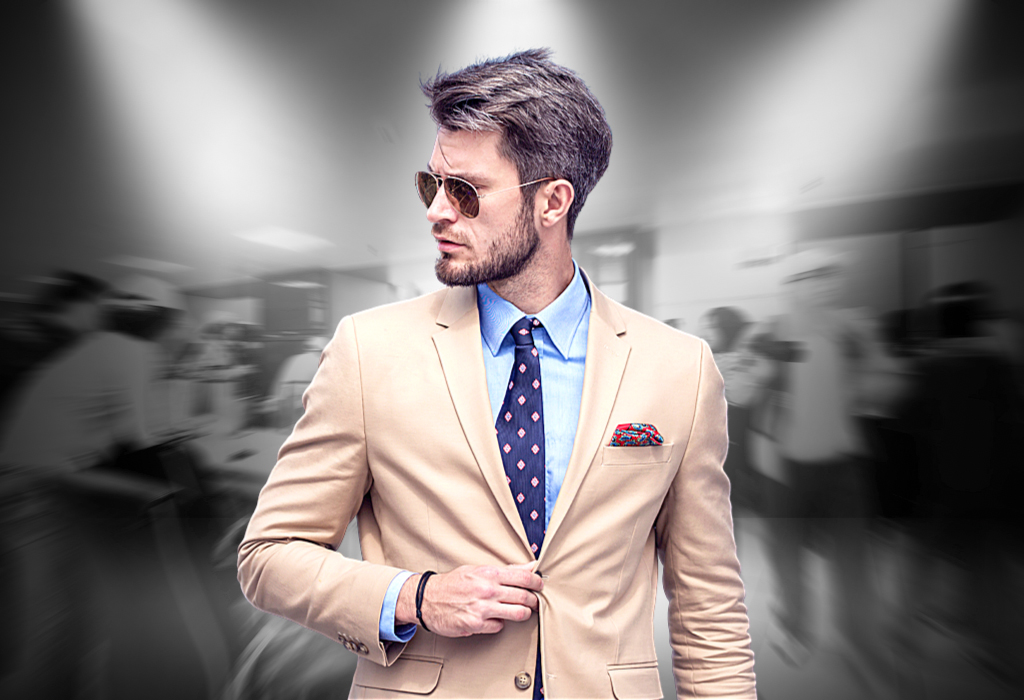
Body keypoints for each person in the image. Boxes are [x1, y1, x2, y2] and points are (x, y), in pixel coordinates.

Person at [238, 49, 755, 699]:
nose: (436, 212)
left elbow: (709, 605)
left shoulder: (679, 368)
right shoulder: (367, 350)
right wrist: (415, 597)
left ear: (553, 202)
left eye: (465, 191)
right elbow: (270, 556)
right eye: (431, 184)